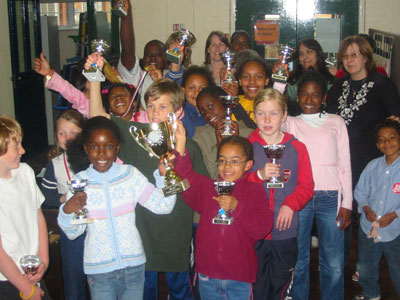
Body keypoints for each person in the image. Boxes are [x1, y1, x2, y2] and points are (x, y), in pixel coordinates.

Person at [87, 53, 209, 300]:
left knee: (180, 291)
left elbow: (200, 192)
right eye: (151, 106)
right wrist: (94, 76)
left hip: (176, 232)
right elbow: (98, 117)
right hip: (142, 234)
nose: (154, 113)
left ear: (177, 111)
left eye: (162, 107)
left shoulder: (190, 146)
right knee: (146, 292)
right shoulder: (136, 135)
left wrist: (180, 155)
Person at [57, 116, 176, 300]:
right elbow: (74, 232)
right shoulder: (79, 182)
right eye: (95, 147)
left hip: (133, 268)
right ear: (86, 148)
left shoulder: (130, 175)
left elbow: (163, 206)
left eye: (109, 146)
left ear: (117, 147)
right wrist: (67, 210)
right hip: (99, 271)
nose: (102, 154)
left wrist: (165, 176)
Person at [326, 35, 400, 265]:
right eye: (345, 56)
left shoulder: (382, 84)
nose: (349, 60)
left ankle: (367, 265)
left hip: (372, 162)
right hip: (341, 160)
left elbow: (394, 123)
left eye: (354, 55)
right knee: (344, 208)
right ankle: (344, 260)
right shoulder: (339, 86)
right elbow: (328, 120)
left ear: (366, 56)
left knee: (367, 213)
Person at [173, 130, 273, 300]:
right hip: (207, 274)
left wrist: (237, 207)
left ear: (248, 165)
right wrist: (180, 145)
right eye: (222, 161)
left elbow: (262, 229)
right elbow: (186, 177)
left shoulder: (255, 191)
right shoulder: (208, 187)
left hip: (239, 276)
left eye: (235, 161)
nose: (227, 166)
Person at [283, 71, 352, 300]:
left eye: (315, 95)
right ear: (297, 97)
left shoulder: (336, 121)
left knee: (333, 260)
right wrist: (280, 81)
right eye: (304, 95)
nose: (309, 100)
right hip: (300, 198)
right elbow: (272, 102)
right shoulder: (290, 123)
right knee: (300, 258)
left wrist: (347, 203)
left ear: (324, 97)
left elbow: (345, 164)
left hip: (331, 197)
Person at [248, 88, 314, 300]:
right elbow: (238, 184)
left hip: (284, 231)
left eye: (274, 113)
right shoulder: (247, 146)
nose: (267, 119)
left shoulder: (297, 148)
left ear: (284, 115)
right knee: (254, 285)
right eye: (261, 113)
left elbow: (307, 186)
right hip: (253, 231)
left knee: (280, 286)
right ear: (254, 115)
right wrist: (257, 175)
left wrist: (290, 204)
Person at [0, 116, 51, 300]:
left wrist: (43, 262)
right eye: (16, 146)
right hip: (8, 280)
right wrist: (27, 290)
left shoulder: (25, 172)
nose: (23, 150)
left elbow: (38, 217)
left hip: (33, 271)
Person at [40, 110, 87, 299]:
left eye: (74, 133)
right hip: (71, 229)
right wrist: (63, 198)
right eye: (62, 133)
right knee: (73, 279)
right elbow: (44, 197)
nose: (67, 138)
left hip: (98, 226)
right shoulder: (55, 164)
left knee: (99, 278)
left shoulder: (93, 157)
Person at [352, 119, 400, 300]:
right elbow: (360, 191)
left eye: (392, 138)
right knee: (366, 265)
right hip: (369, 228)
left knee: (397, 266)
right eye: (381, 139)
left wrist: (396, 214)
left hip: (395, 230)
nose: (386, 143)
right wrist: (365, 207)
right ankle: (370, 294)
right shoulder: (372, 166)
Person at [118, 0, 185, 109]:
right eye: (148, 55)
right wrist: (126, 16)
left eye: (158, 54)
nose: (152, 58)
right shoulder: (137, 76)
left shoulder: (172, 75)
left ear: (166, 58)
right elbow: (127, 50)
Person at [194, 86, 253, 179]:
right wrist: (219, 146)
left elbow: (252, 172)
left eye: (210, 106)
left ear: (225, 103)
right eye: (202, 112)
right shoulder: (201, 136)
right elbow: (211, 175)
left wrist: (236, 143)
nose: (207, 114)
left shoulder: (248, 133)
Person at [273, 38, 335, 116]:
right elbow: (278, 102)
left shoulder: (330, 82)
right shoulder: (291, 80)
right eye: (301, 53)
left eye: (309, 52)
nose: (305, 57)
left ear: (318, 54)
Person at [234, 56, 271, 123]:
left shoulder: (271, 104)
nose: (252, 81)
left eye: (258, 77)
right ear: (240, 81)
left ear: (266, 81)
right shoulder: (233, 102)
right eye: (246, 77)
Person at [180, 65, 214, 138]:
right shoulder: (180, 113)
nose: (197, 92)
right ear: (183, 90)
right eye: (192, 88)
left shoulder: (214, 112)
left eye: (202, 89)